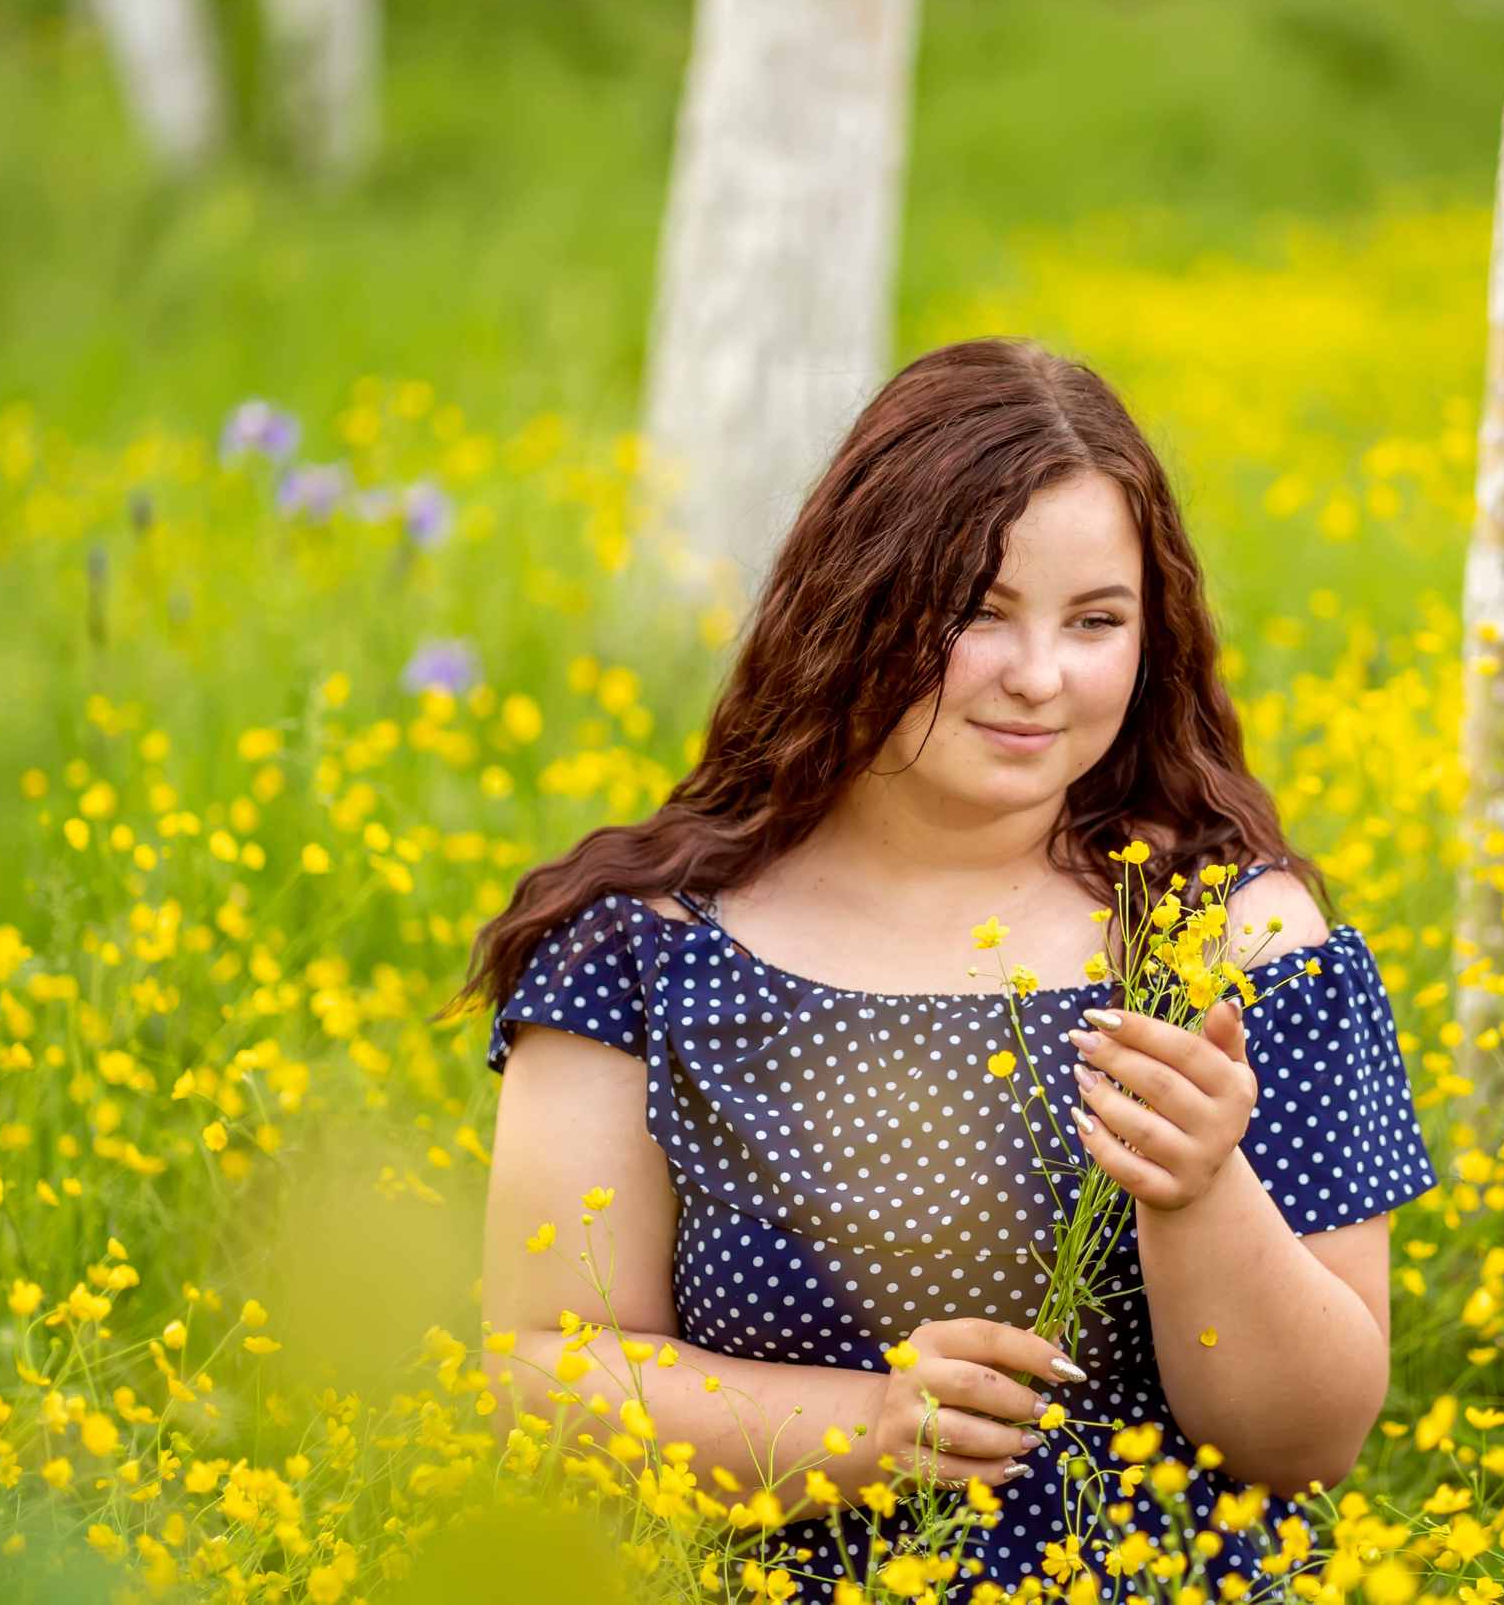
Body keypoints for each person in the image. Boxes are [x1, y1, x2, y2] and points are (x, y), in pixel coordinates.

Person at [466, 338, 1435, 1594]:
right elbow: (540, 1370)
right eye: (979, 615)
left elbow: (1308, 1444)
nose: (1040, 679)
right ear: (855, 602)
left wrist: (1199, 1196)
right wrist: (864, 1434)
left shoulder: (1228, 943)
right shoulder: (643, 948)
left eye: (1096, 622)